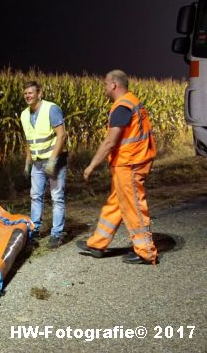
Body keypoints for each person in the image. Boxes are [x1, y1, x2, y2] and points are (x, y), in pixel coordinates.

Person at [78, 69, 158, 265]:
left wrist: (91, 165)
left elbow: (110, 142)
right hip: (129, 163)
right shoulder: (131, 100)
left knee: (134, 207)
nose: (104, 87)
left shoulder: (122, 106)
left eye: (106, 84)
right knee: (115, 204)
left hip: (129, 164)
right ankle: (97, 244)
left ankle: (146, 252)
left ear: (114, 85)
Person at [20, 81, 68, 249]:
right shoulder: (24, 115)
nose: (27, 96)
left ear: (39, 94)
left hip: (55, 161)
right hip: (37, 163)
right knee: (35, 196)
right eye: (25, 93)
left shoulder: (51, 109)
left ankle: (56, 234)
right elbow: (29, 140)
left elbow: (61, 135)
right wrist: (27, 162)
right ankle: (34, 231)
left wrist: (53, 160)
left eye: (31, 93)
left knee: (57, 197)